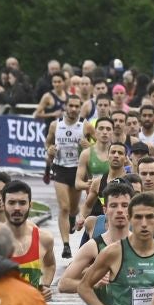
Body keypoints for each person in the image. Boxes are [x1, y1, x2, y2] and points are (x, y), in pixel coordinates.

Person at [45, 93, 86, 257]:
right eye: (71, 106)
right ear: (66, 107)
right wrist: (49, 149)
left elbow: (97, 147)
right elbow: (48, 141)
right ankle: (66, 245)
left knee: (74, 208)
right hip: (60, 168)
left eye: (77, 106)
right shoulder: (56, 125)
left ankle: (72, 218)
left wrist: (88, 145)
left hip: (77, 169)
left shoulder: (85, 126)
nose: (74, 109)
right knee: (64, 207)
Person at [3, 180, 55, 298]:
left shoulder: (44, 239)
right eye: (11, 202)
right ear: (3, 204)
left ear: (30, 205)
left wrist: (45, 286)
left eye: (22, 203)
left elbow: (50, 265)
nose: (17, 208)